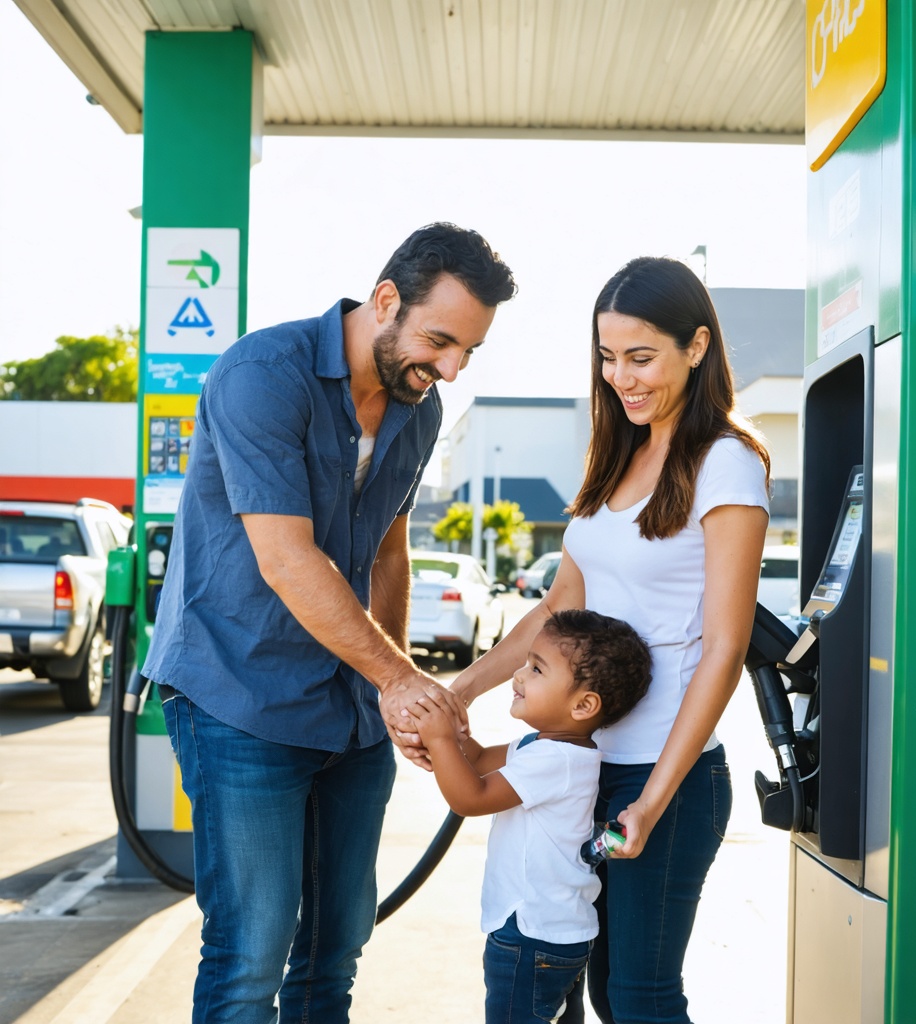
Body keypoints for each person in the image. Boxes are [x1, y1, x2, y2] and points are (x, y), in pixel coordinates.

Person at [142, 222, 516, 1024]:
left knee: (337, 944)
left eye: (468, 353)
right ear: (386, 300)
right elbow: (287, 559)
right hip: (238, 697)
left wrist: (398, 688)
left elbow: (388, 552)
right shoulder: (261, 376)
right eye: (440, 340)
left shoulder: (419, 408)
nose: (449, 368)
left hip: (348, 714)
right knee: (253, 948)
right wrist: (400, 680)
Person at [437, 256, 771, 1023]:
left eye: (642, 356)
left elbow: (724, 645)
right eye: (608, 356)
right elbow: (558, 608)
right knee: (595, 988)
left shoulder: (725, 463)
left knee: (640, 995)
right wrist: (463, 689)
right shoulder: (616, 455)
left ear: (696, 347)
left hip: (665, 776)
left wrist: (653, 802)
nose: (623, 377)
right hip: (582, 764)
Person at [405, 609, 652, 1024]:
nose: (518, 675)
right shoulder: (546, 746)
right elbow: (481, 760)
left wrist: (441, 738)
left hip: (531, 937)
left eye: (536, 668)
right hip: (554, 934)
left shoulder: (555, 760)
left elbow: (471, 797)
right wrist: (449, 733)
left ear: (584, 704)